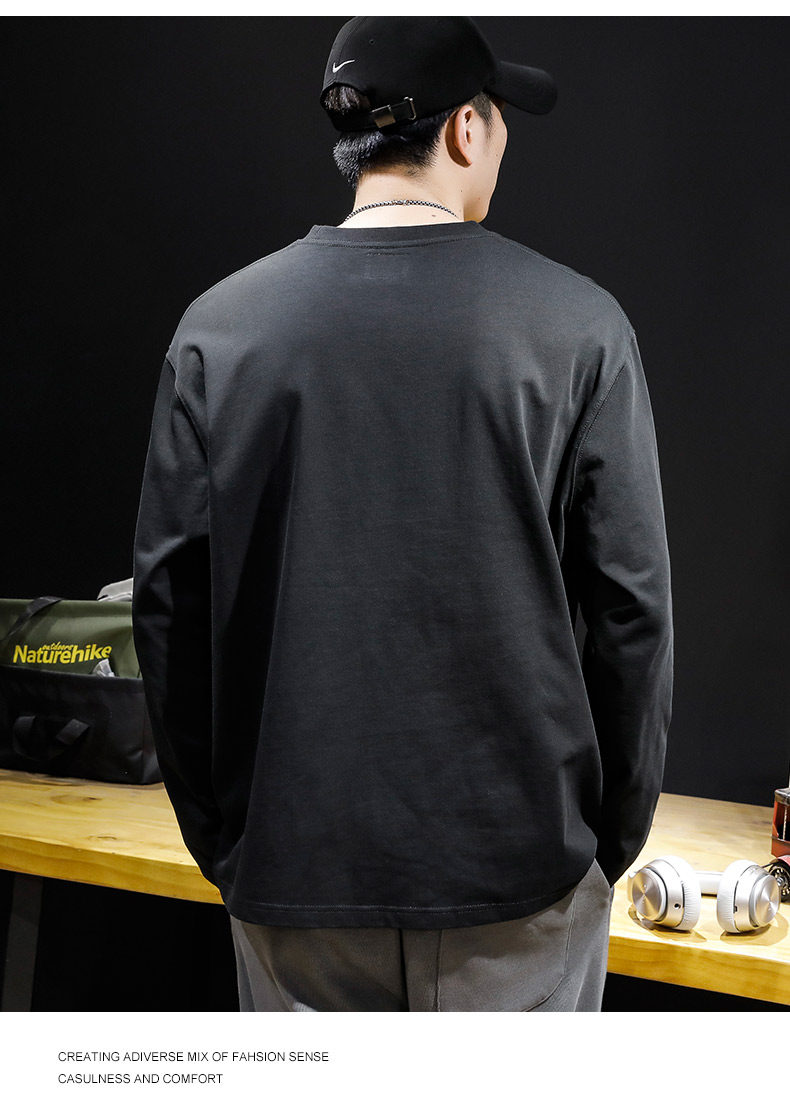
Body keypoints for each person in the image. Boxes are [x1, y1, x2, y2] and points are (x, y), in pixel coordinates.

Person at [132, 16, 673, 1013]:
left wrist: (229, 839)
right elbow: (631, 610)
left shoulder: (218, 332)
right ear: (466, 128)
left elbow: (168, 609)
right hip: (521, 879)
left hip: (294, 873)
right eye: (499, 120)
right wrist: (605, 843)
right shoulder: (578, 327)